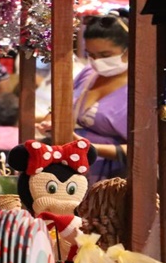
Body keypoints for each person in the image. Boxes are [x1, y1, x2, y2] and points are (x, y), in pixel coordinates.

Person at [38, 12, 130, 184]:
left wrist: (88, 147)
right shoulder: (89, 73)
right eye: (91, 55)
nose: (97, 61)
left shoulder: (139, 88)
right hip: (74, 170)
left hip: (114, 178)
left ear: (129, 49)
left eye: (105, 55)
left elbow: (145, 150)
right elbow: (64, 104)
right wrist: (52, 121)